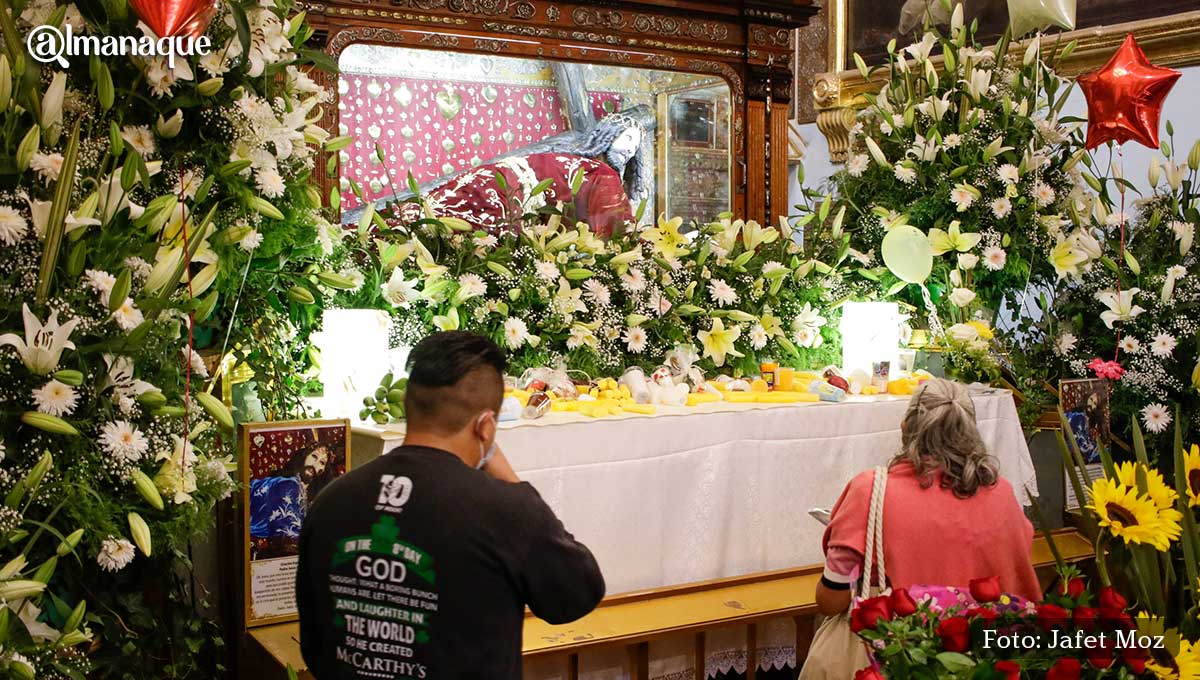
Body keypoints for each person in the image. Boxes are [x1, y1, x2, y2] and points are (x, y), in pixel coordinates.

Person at [297, 331, 605, 680]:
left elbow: (315, 639)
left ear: (411, 407)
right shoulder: (504, 509)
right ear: (486, 426)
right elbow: (577, 594)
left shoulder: (331, 501)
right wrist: (514, 485)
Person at [815, 378, 1041, 615]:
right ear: (971, 430)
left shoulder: (870, 491)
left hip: (905, 647)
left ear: (905, 428)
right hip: (993, 644)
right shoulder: (1001, 492)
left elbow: (830, 602)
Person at [249, 444, 335, 559]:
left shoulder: (309, 495)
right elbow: (286, 533)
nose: (315, 464)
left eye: (322, 462)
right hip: (279, 556)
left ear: (323, 470)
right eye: (314, 456)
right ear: (304, 456)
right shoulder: (289, 484)